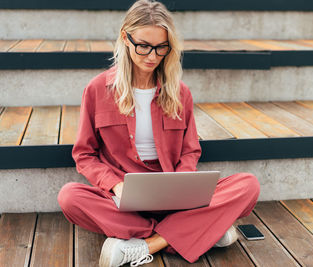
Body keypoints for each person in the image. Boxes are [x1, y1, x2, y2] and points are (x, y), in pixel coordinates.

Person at [57, 0, 260, 266]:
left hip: (173, 190)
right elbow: (84, 154)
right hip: (125, 192)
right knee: (70, 197)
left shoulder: (180, 92)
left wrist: (183, 183)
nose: (152, 56)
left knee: (248, 185)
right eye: (144, 46)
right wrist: (116, 185)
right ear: (125, 39)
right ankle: (200, 230)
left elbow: (190, 150)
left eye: (161, 48)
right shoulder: (97, 89)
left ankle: (149, 243)